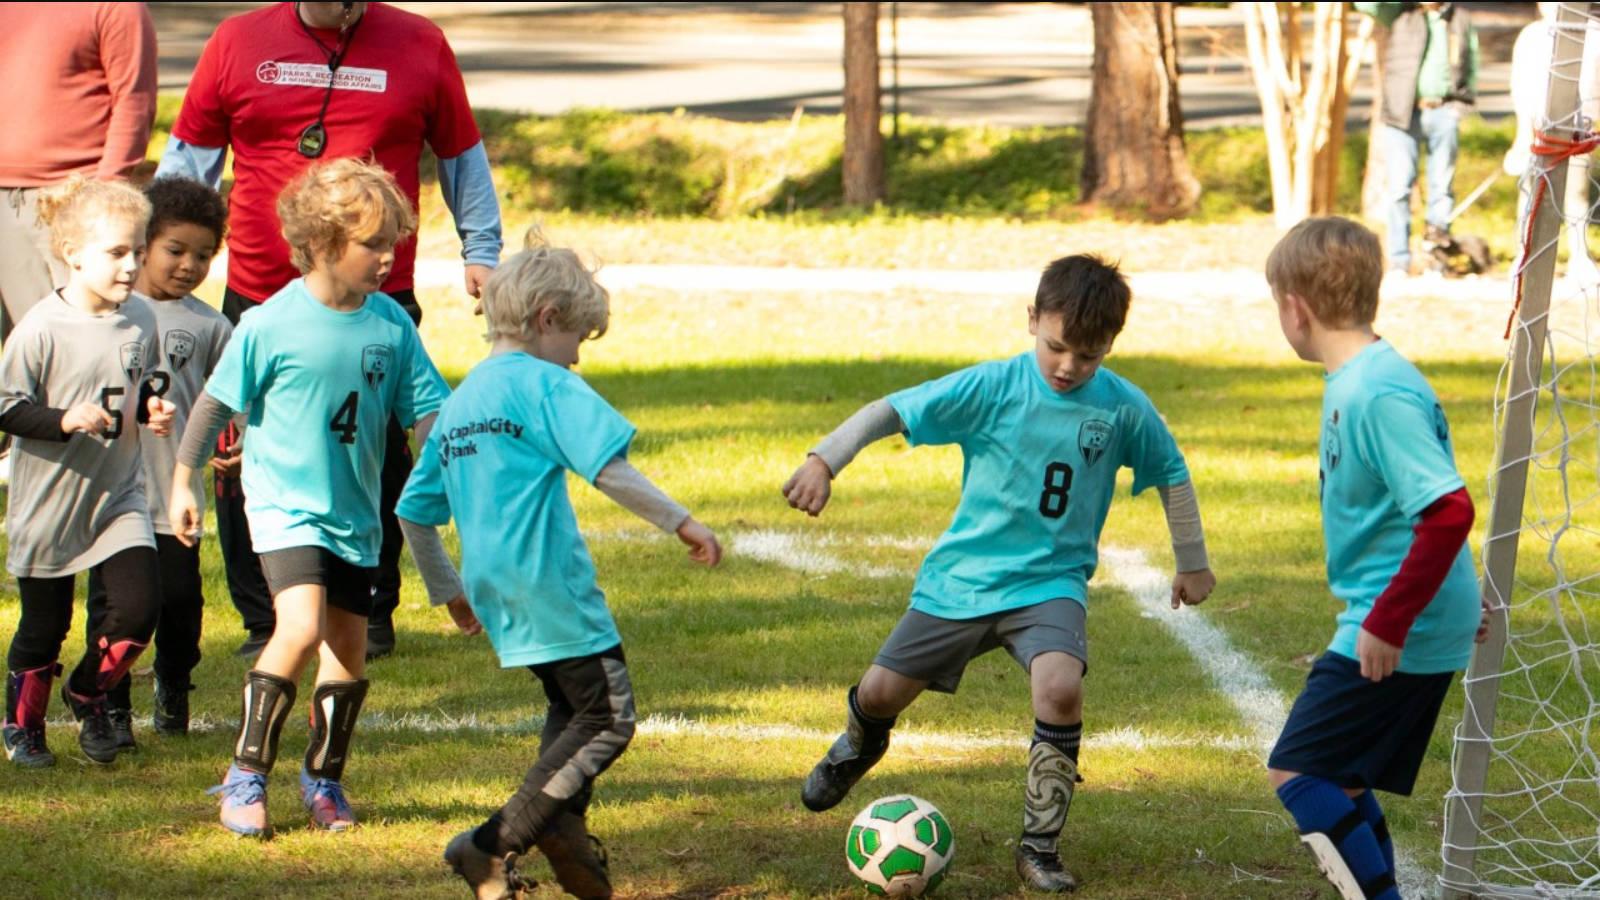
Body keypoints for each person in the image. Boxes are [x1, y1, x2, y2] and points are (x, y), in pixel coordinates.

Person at [783, 254, 1217, 893]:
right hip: (961, 582)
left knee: (1061, 688)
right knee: (877, 695)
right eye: (1057, 347)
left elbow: (1172, 472)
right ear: (1033, 320)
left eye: (1088, 356)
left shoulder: (1124, 408)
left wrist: (1193, 560)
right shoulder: (993, 387)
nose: (1069, 366)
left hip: (1051, 585)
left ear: (1111, 346)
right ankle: (859, 746)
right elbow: (892, 410)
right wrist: (824, 460)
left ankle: (1039, 847)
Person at [155, 0, 503, 660]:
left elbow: (462, 154)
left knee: (377, 447)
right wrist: (161, 252)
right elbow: (186, 163)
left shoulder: (420, 43)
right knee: (240, 449)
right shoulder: (237, 41)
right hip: (258, 293)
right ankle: (265, 612)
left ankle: (369, 603)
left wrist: (480, 249)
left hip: (378, 297)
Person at [395, 235, 723, 899]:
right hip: (548, 584)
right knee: (607, 717)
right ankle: (491, 844)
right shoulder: (544, 383)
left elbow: (413, 511)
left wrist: (450, 592)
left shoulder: (461, 402)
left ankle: (562, 828)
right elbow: (609, 469)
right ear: (547, 317)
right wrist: (682, 522)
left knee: (569, 706)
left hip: (496, 591)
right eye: (578, 337)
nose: (578, 355)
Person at [167, 158, 449, 838]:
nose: (387, 259)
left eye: (393, 245)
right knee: (296, 628)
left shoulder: (391, 325)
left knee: (349, 650)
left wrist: (452, 462)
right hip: (284, 506)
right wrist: (182, 478)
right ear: (322, 243)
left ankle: (324, 780)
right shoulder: (269, 324)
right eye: (373, 246)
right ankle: (247, 773)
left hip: (356, 512)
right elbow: (212, 406)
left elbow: (426, 409)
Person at [1262, 217, 1488, 900]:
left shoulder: (1376, 393)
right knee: (1343, 773)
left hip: (1397, 621)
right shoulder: (1360, 377)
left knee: (1298, 770)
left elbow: (1448, 509)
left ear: (1295, 309)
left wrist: (1392, 620)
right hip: (1409, 609)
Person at [0, 177, 175, 769]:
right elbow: (5, 406)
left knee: (138, 610)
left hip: (118, 497)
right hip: (51, 502)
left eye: (138, 250)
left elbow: (147, 376)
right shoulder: (40, 329)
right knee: (43, 626)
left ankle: (89, 693)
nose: (133, 265)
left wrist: (154, 404)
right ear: (73, 253)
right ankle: (22, 727)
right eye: (116, 253)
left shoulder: (142, 318)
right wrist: (64, 418)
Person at [83, 177, 232, 750]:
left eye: (204, 254)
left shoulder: (212, 326)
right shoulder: (111, 315)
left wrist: (232, 442)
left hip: (175, 493)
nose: (189, 265)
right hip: (114, 491)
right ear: (143, 245)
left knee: (179, 600)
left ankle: (174, 679)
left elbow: (230, 399)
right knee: (119, 606)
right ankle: (111, 703)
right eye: (176, 250)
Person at [0, 2, 157, 342]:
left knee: (77, 339)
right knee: (20, 348)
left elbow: (134, 101)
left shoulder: (118, 8)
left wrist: (101, 201)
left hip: (71, 197)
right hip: (3, 199)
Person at [1355, 2, 1479, 274]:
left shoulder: (1459, 19)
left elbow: (1472, 60)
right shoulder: (1401, 13)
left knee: (1441, 188)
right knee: (1399, 188)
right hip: (1403, 111)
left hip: (1444, 110)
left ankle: (1436, 258)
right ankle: (1399, 259)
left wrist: (1462, 104)